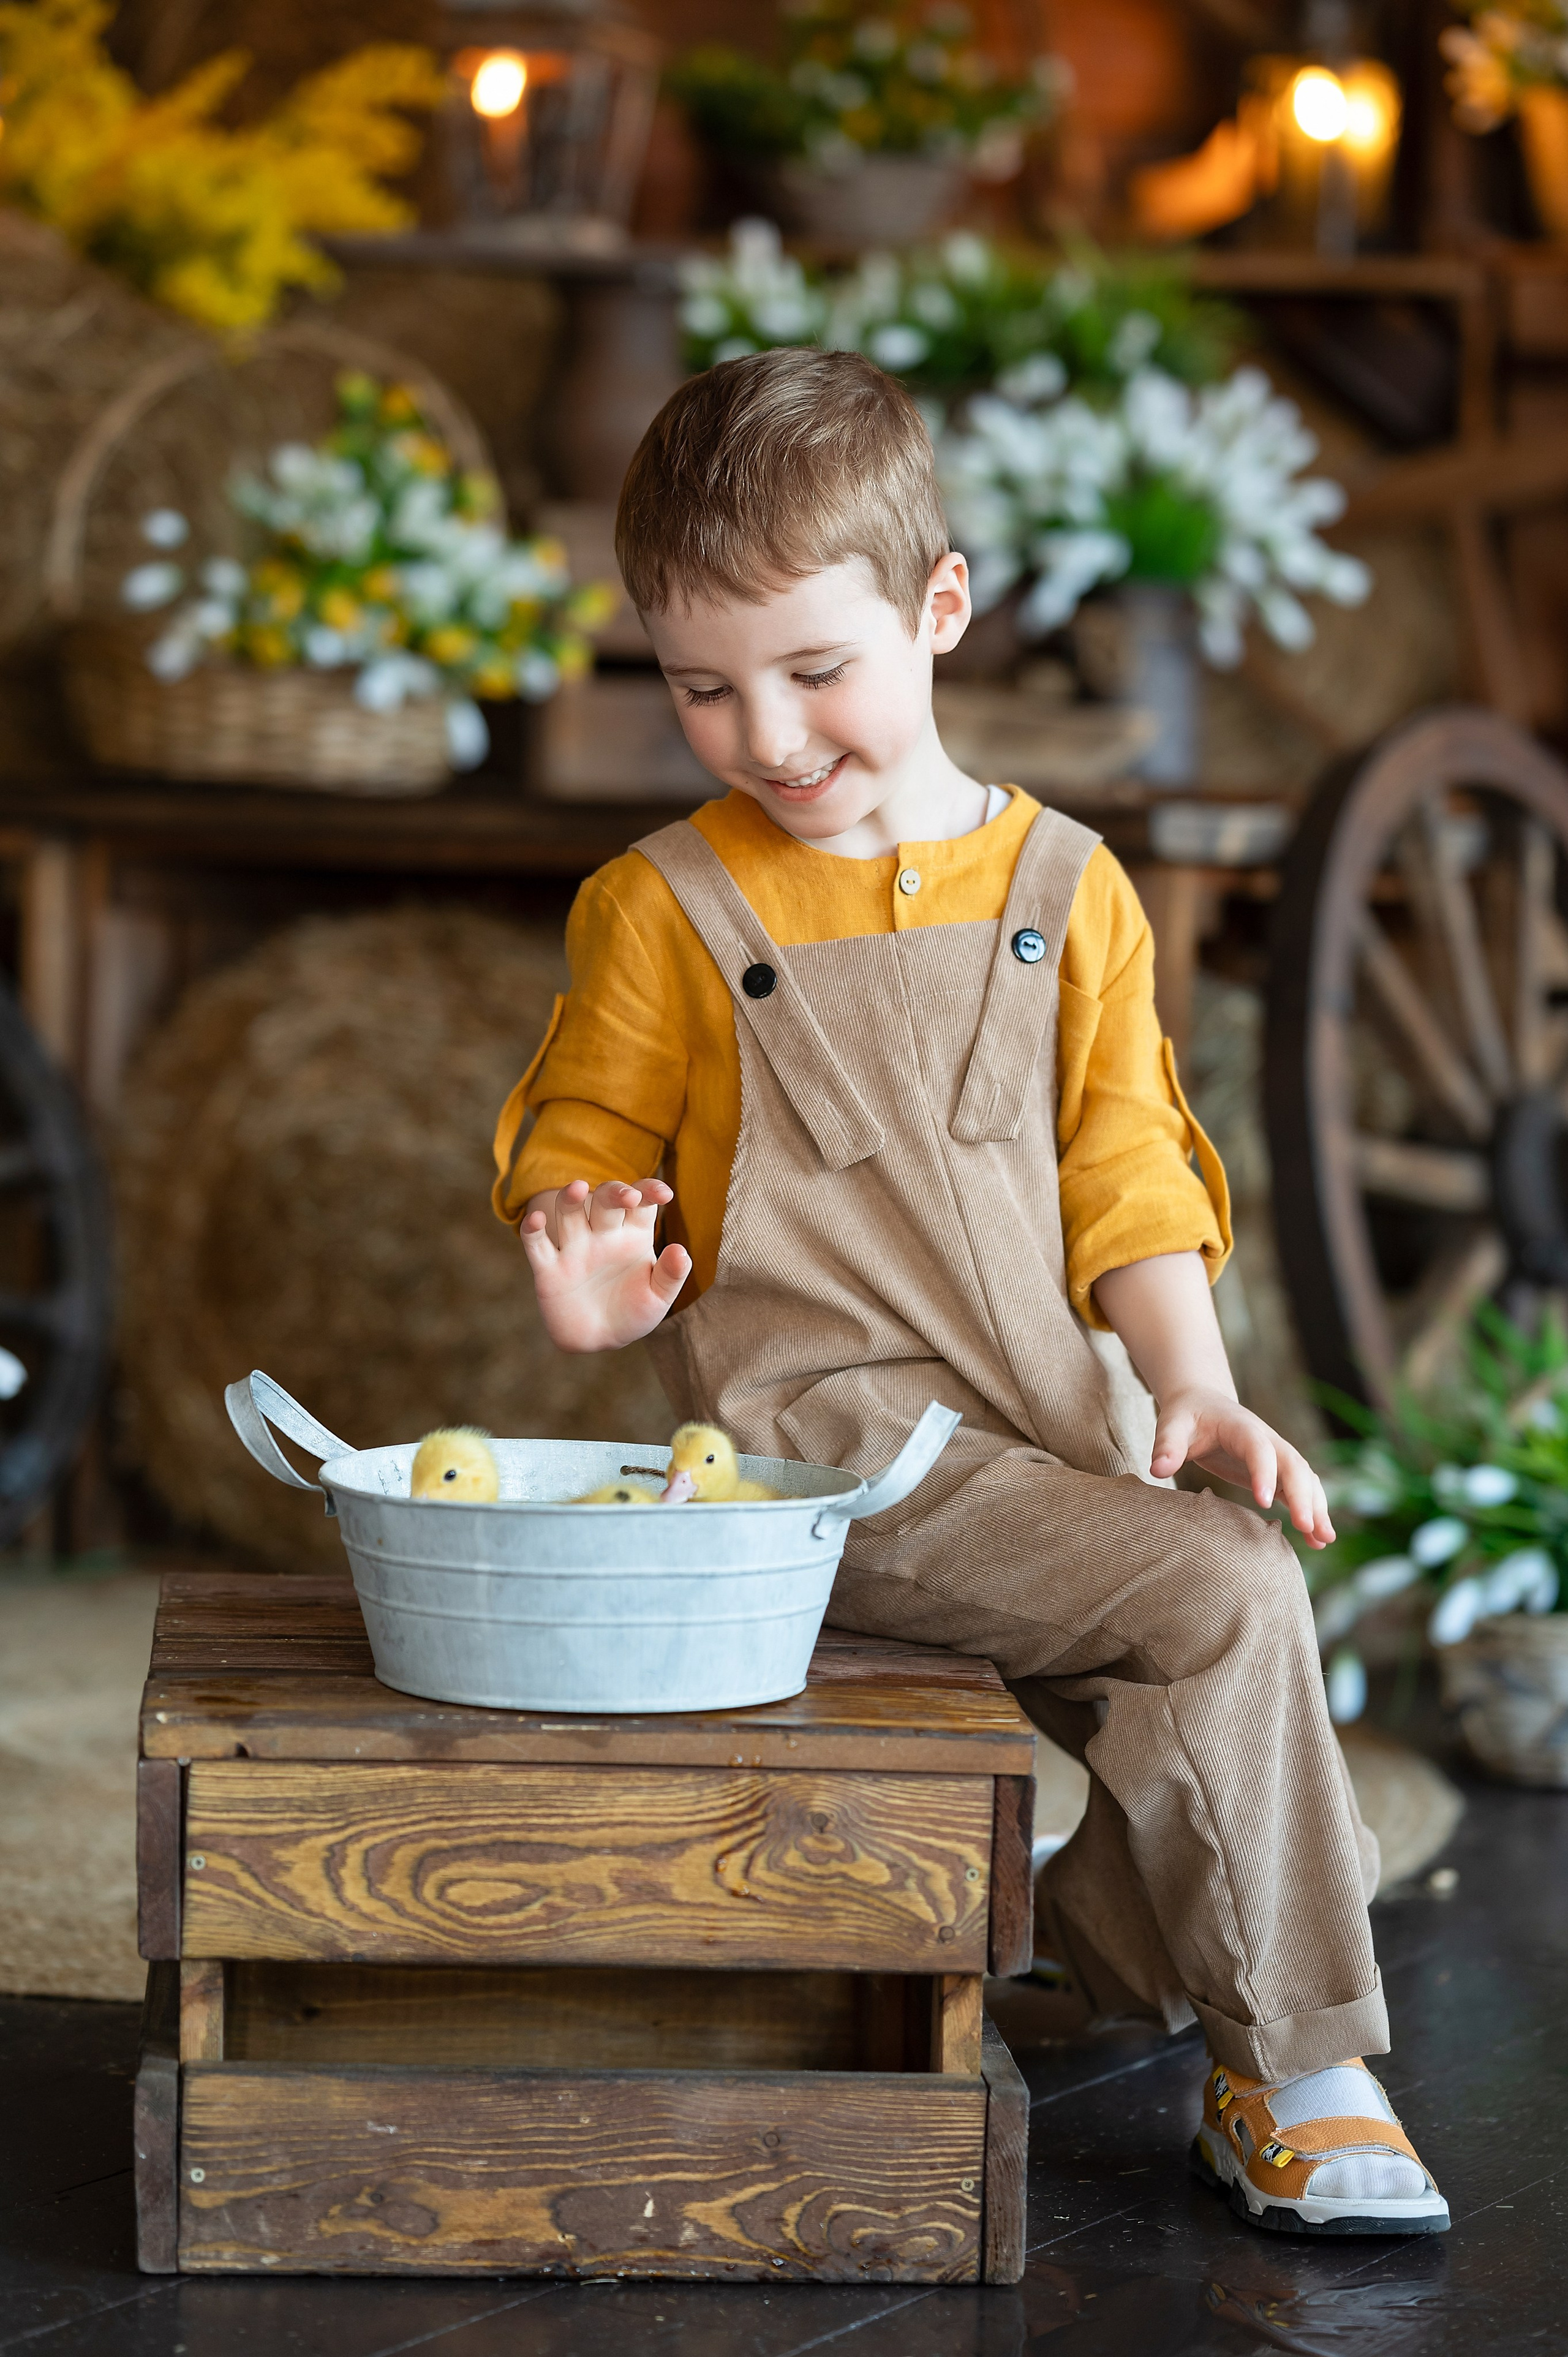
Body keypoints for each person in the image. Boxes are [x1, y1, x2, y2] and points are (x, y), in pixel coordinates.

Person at [492, 347, 1447, 2238]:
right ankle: (1303, 2073)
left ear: (941, 610)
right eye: (702, 684)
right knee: (1226, 1595)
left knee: (1217, 1601)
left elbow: (1130, 1175)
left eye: (813, 669)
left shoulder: (1071, 884)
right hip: (833, 1463)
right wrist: (591, 1284)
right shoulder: (660, 909)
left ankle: (1091, 1952)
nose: (766, 732)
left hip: (1056, 1430)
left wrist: (1195, 1386)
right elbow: (582, 1148)